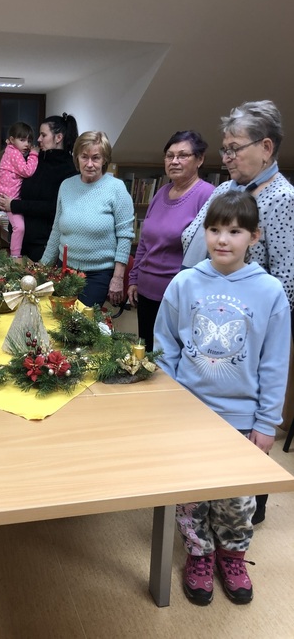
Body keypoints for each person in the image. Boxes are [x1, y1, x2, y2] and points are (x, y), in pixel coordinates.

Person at [154, 190, 290, 606]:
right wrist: (170, 402)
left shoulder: (270, 291)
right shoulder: (185, 282)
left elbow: (274, 363)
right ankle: (199, 553)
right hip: (188, 415)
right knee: (190, 495)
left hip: (241, 419)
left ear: (254, 236)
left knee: (236, 498)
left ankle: (232, 556)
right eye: (214, 230)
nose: (222, 240)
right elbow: (165, 346)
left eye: (234, 231)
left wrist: (267, 423)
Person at [182, 100, 294, 524]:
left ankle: (246, 512)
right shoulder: (228, 190)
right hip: (206, 310)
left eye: (234, 149)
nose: (226, 157)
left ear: (266, 148)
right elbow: (191, 237)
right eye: (224, 149)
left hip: (248, 330)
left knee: (245, 434)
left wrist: (258, 323)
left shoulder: (282, 199)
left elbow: (288, 275)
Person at [127, 131, 215, 351]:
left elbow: (210, 253)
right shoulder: (161, 192)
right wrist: (134, 278)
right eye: (169, 155)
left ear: (199, 160)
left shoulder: (208, 196)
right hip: (146, 290)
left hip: (179, 296)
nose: (174, 161)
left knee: (171, 357)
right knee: (147, 352)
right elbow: (144, 240)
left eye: (183, 155)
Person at [41, 131, 134, 307]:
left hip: (97, 274)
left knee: (82, 319)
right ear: (77, 158)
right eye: (84, 157)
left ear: (105, 159)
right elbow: (57, 231)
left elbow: (125, 236)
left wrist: (117, 278)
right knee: (57, 316)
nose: (90, 164)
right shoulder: (66, 186)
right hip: (65, 270)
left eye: (96, 158)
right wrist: (42, 268)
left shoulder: (117, 188)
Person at [0, 113, 78, 261]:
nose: (38, 139)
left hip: (43, 247)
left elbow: (53, 208)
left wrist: (14, 205)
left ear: (58, 137)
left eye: (43, 135)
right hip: (20, 242)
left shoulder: (68, 169)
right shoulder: (34, 159)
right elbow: (11, 181)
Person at [0, 122, 39, 257]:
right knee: (19, 227)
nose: (27, 144)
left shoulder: (10, 151)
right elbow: (27, 171)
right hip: (9, 197)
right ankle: (15, 255)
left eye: (29, 141)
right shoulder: (14, 153)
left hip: (5, 194)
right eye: (22, 140)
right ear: (12, 140)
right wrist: (34, 155)